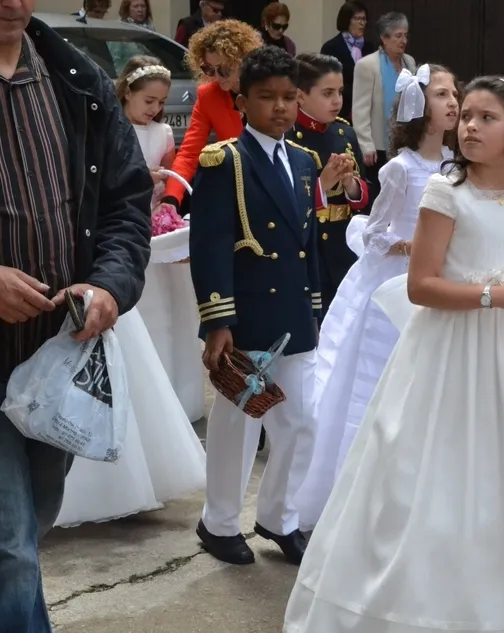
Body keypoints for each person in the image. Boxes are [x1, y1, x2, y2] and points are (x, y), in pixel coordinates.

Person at [283, 75, 504, 633]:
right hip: (451, 348)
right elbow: (421, 285)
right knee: (435, 471)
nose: (469, 126)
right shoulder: (446, 193)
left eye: (486, 118)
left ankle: (501, 601)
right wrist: (493, 295)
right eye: (465, 115)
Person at [0, 4, 153, 630]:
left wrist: (108, 286)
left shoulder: (76, 78)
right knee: (7, 551)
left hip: (57, 364)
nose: (13, 3)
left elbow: (127, 203)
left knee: (27, 529)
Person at [294, 63, 459, 532]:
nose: (453, 102)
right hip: (397, 282)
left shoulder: (456, 165)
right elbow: (375, 232)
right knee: (379, 381)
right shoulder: (401, 168)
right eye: (441, 94)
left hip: (443, 278)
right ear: (418, 105)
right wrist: (410, 246)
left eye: (455, 93)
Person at [56, 56, 206, 527]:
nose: (157, 108)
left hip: (106, 259)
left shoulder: (138, 135)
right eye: (150, 100)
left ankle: (124, 480)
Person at [190, 46, 325, 567]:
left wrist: (315, 306)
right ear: (242, 102)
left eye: (290, 97)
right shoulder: (225, 160)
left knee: (303, 421)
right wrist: (217, 321)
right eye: (267, 97)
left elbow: (308, 244)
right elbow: (210, 244)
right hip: (246, 316)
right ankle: (219, 523)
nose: (281, 107)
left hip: (293, 313)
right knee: (238, 427)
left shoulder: (304, 161)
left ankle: (279, 518)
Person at [117, 56, 204, 422]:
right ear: (127, 93)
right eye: (148, 100)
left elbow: (171, 176)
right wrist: (142, 179)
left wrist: (166, 201)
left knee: (172, 310)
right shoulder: (114, 128)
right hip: (125, 223)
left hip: (155, 225)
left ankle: (175, 391)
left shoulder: (163, 133)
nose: (154, 109)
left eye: (160, 102)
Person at [286, 53, 370, 317]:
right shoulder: (288, 137)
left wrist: (350, 183)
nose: (337, 101)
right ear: (300, 96)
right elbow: (282, 201)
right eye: (327, 93)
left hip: (343, 246)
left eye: (340, 92)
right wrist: (322, 185)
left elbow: (366, 191)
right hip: (310, 248)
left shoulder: (344, 132)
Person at [162, 20, 263, 212]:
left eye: (224, 70)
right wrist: (171, 198)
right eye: (208, 69)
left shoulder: (268, 90)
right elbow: (189, 153)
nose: (216, 76)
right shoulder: (208, 96)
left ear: (243, 61)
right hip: (236, 189)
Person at [352, 11, 416, 202]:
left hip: (406, 142)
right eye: (398, 36)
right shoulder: (367, 65)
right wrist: (366, 144)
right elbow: (360, 109)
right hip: (378, 145)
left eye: (405, 35)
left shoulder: (409, 62)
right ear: (384, 38)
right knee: (380, 196)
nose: (403, 40)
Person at [320, 1, 375, 122]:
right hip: (342, 109)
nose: (362, 23)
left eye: (364, 19)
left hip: (366, 109)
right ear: (347, 20)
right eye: (357, 19)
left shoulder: (369, 47)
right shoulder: (331, 47)